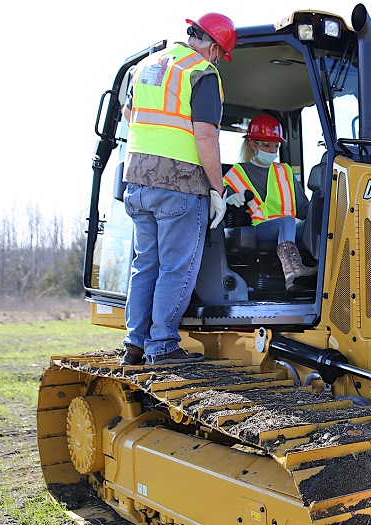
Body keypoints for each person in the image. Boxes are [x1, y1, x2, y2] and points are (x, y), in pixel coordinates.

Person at [120, 13, 236, 366]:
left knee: (145, 265)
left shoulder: (146, 65)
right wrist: (217, 189)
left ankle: (135, 344)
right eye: (219, 54)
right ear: (214, 46)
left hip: (138, 180)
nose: (217, 60)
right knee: (176, 268)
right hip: (179, 184)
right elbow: (205, 135)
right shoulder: (202, 72)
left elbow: (128, 113)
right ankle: (162, 347)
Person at [223, 114, 316, 292]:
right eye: (267, 145)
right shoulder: (238, 172)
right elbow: (221, 200)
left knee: (317, 224)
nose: (272, 150)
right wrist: (228, 199)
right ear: (253, 144)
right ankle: (293, 273)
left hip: (287, 229)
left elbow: (304, 209)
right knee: (287, 220)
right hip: (260, 228)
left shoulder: (285, 171)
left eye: (276, 146)